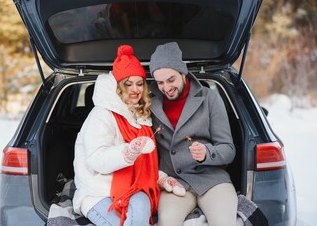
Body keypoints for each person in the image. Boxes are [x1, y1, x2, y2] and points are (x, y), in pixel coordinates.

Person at [149, 42, 238, 226]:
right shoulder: (151, 104)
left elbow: (228, 150)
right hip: (175, 182)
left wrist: (207, 152)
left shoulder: (209, 98)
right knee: (166, 221)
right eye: (160, 82)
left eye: (171, 79)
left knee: (224, 222)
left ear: (183, 72)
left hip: (212, 179)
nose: (166, 88)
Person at [72, 44, 160, 226]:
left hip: (134, 187)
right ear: (118, 86)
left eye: (139, 83)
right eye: (128, 84)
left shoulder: (140, 116)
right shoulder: (101, 115)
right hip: (97, 191)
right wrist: (127, 152)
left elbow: (146, 164)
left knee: (142, 207)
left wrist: (164, 178)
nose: (135, 89)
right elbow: (96, 159)